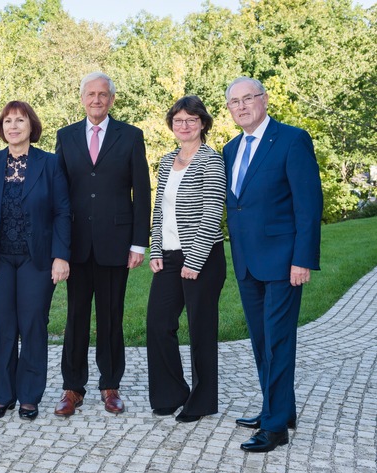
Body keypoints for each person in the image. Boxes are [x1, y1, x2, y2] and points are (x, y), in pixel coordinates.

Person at [223, 77, 322, 452]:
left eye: (249, 98)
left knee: (278, 342)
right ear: (230, 109)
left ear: (264, 100)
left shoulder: (292, 139)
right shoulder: (230, 149)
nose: (243, 106)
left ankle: (276, 427)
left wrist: (303, 259)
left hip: (283, 262)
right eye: (235, 102)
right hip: (247, 262)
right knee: (262, 341)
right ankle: (277, 408)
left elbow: (308, 205)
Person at [54, 71, 151, 416]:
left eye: (103, 94)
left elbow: (142, 190)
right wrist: (59, 248)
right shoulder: (65, 137)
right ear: (82, 98)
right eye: (90, 94)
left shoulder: (131, 136)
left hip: (116, 243)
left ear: (112, 99)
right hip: (77, 245)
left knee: (112, 316)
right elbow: (59, 195)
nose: (96, 100)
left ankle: (111, 385)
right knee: (76, 317)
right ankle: (72, 387)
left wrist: (139, 243)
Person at [0, 101, 71, 421]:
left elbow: (62, 212)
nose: (13, 126)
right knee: (2, 326)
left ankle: (29, 396)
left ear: (31, 126)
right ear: (2, 128)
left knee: (32, 325)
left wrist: (61, 256)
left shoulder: (51, 164)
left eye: (20, 120)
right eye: (8, 121)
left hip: (36, 259)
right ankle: (2, 396)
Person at [146, 96, 226, 423]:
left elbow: (212, 212)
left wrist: (194, 260)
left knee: (200, 328)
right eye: (178, 120)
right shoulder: (167, 161)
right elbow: (159, 210)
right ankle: (171, 393)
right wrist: (155, 250)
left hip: (202, 258)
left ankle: (202, 400)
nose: (184, 125)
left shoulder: (211, 160)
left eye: (191, 120)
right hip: (168, 256)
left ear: (202, 124)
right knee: (158, 324)